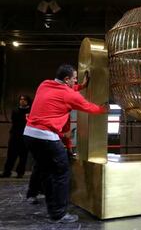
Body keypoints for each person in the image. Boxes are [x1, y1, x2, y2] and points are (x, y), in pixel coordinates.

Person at [23, 64, 108, 223]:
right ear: (66, 79)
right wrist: (103, 110)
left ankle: (53, 211)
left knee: (47, 172)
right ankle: (60, 214)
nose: (76, 81)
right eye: (74, 78)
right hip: (46, 137)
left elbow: (67, 90)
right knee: (61, 172)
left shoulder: (45, 84)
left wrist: (82, 85)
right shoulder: (70, 95)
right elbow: (88, 107)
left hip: (29, 135)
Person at [26, 71, 90, 204]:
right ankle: (37, 195)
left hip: (50, 139)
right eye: (74, 79)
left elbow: (66, 133)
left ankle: (44, 195)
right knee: (46, 168)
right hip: (47, 138)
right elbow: (59, 130)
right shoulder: (57, 103)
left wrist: (69, 148)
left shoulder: (64, 106)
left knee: (46, 167)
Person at [1, 95, 31, 178]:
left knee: (23, 156)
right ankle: (7, 172)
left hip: (25, 136)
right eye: (21, 99)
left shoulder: (30, 111)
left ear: (27, 101)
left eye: (24, 100)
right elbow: (14, 121)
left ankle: (20, 172)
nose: (22, 101)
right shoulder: (16, 110)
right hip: (15, 135)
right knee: (11, 155)